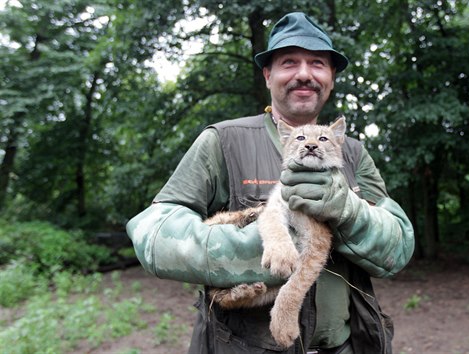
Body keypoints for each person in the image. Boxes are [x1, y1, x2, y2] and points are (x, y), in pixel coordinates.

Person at [126, 11, 415, 354]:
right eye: (289, 62)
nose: (304, 74)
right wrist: (267, 246)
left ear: (331, 78)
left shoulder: (352, 153)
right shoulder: (225, 140)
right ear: (268, 75)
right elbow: (153, 236)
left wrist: (351, 214)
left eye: (318, 64)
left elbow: (398, 248)